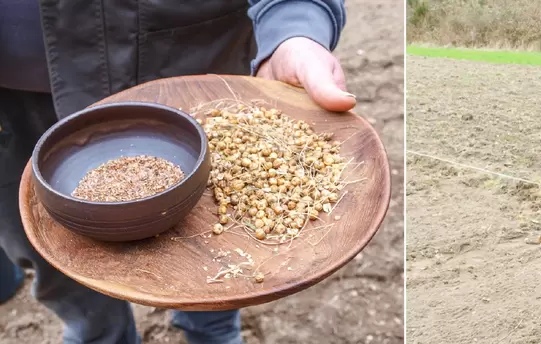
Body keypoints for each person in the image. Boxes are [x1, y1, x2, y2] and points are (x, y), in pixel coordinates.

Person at [0, 1, 354, 343]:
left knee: (212, 248)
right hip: (15, 100)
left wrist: (295, 24)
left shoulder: (218, 127)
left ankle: (213, 330)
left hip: (185, 66)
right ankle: (96, 333)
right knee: (51, 251)